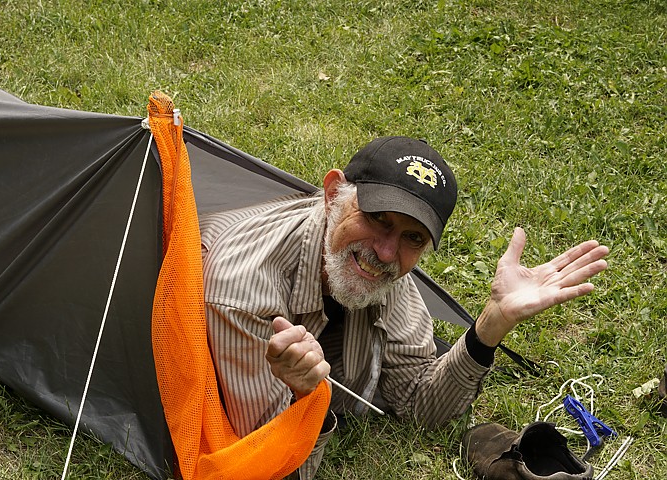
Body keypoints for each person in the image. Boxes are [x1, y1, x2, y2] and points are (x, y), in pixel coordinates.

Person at [199, 136, 609, 479]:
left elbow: (419, 405)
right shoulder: (243, 288)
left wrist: (491, 325)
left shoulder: (383, 268)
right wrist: (307, 399)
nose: (386, 251)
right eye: (377, 217)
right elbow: (268, 466)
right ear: (331, 195)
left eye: (413, 238)